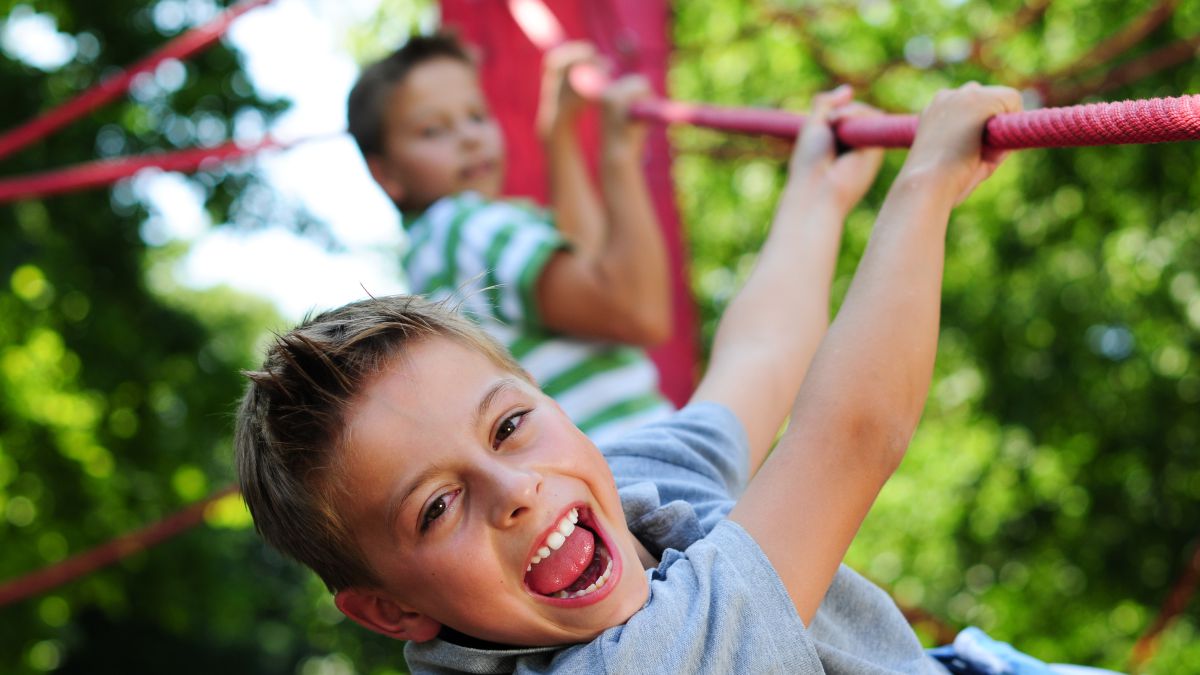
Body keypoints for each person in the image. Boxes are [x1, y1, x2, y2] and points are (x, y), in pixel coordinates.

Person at [238, 84, 1112, 673]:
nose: (513, 487)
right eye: (433, 507)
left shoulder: (624, 487)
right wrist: (926, 183)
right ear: (390, 611)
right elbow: (848, 440)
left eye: (508, 425)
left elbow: (758, 363)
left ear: (545, 400)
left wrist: (819, 194)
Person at [346, 34, 674, 445]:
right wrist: (619, 157)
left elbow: (587, 262)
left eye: (477, 115)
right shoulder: (462, 226)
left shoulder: (439, 251)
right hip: (635, 450)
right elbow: (637, 311)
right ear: (386, 174)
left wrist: (560, 135)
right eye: (433, 130)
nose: (469, 137)